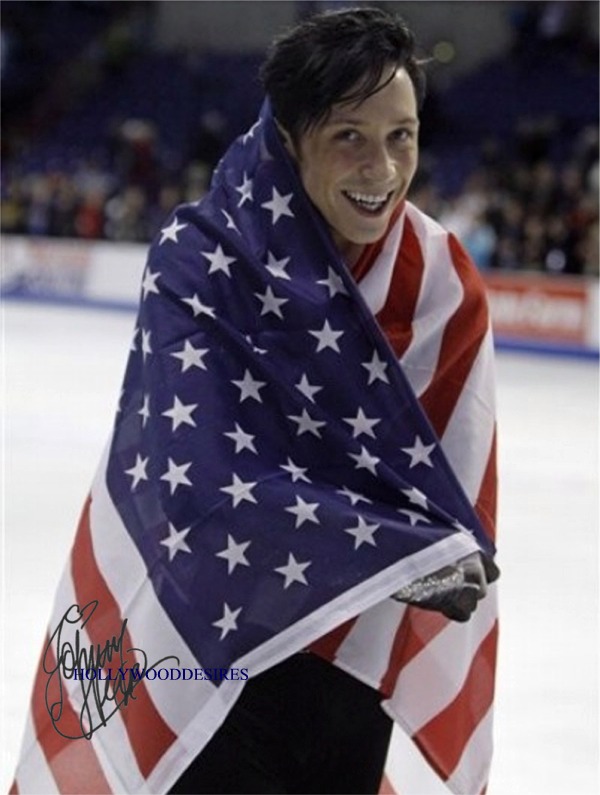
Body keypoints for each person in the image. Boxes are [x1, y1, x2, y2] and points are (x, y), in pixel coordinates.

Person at [11, 7, 499, 795]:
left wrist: (433, 553)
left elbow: (449, 488)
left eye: (401, 135)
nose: (382, 169)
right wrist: (385, 551)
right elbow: (193, 478)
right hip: (208, 652)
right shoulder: (201, 260)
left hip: (349, 663)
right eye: (350, 136)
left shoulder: (440, 282)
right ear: (288, 138)